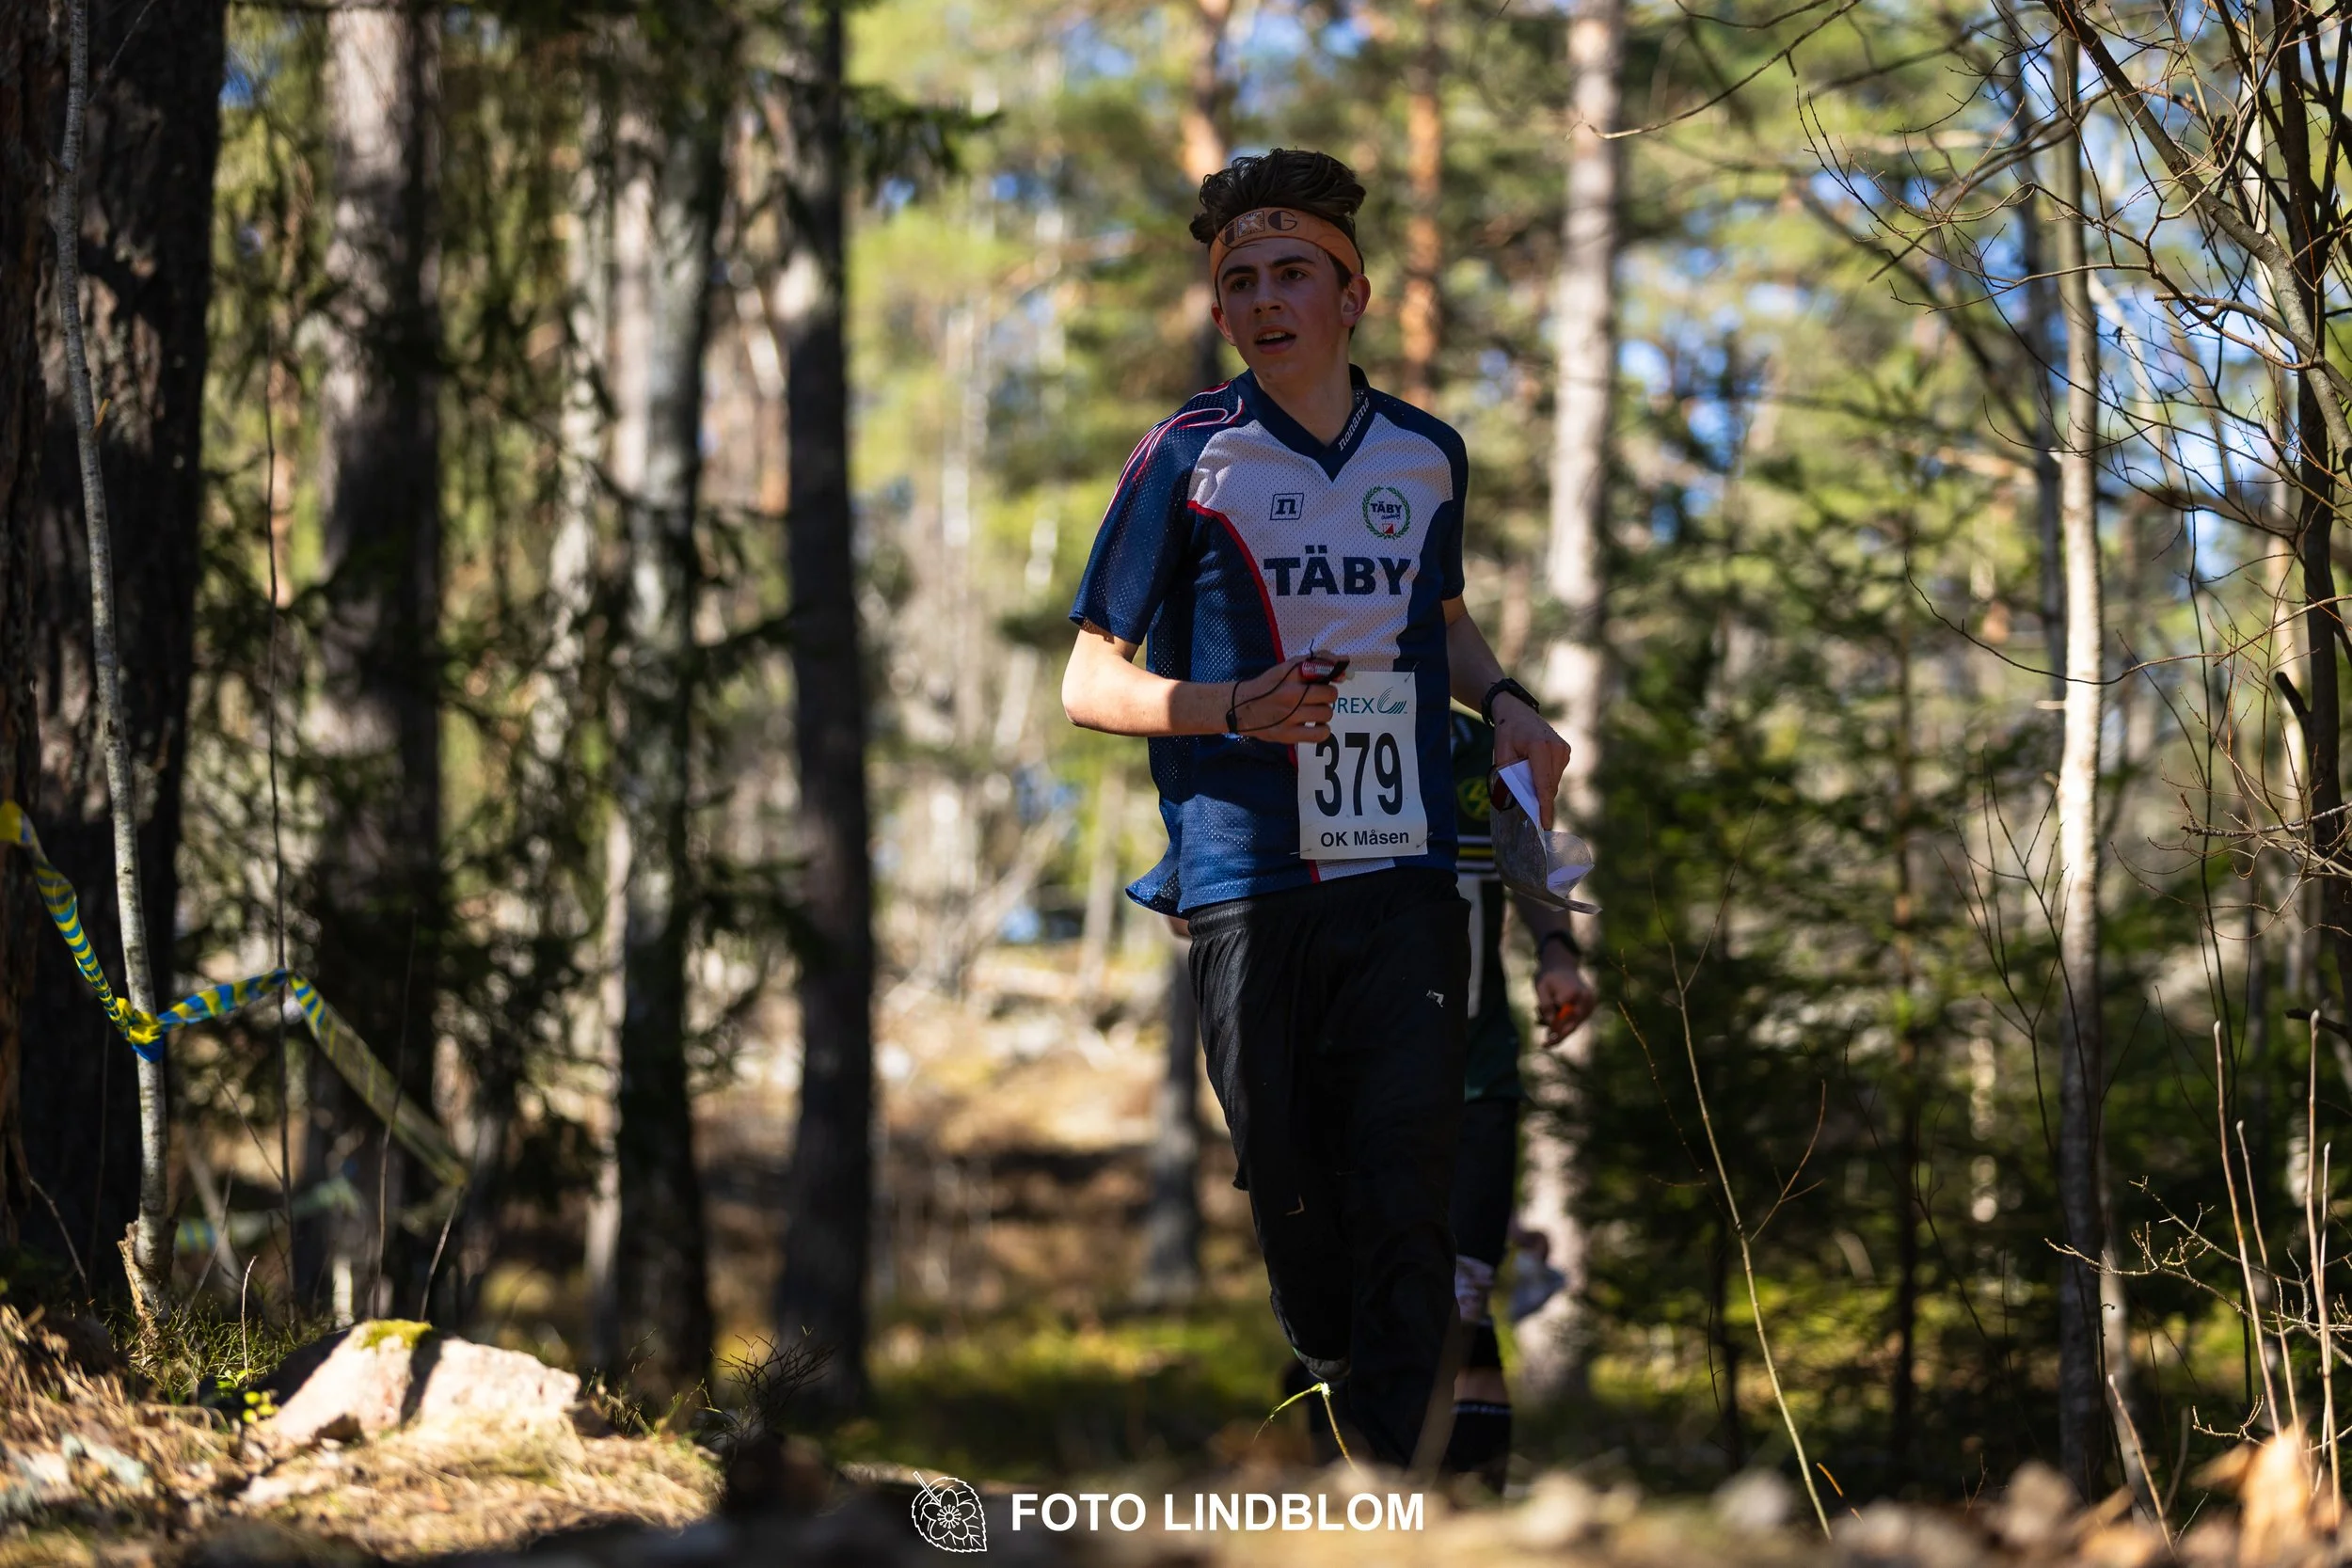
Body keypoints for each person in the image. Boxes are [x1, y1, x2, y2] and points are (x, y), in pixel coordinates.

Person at [1060, 147, 1572, 1467]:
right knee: (1298, 1206)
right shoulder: (1187, 457)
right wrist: (1234, 709)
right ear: (1222, 311)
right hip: (1246, 874)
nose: (1267, 297)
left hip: (1401, 869)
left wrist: (1506, 697)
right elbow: (1088, 682)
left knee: (1408, 1192)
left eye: (1295, 272)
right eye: (1242, 280)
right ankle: (1345, 1379)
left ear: (1352, 295)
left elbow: (1441, 624)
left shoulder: (1426, 453)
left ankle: (1397, 1501)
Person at [1441, 711, 1596, 1483]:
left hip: (1477, 1072)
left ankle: (1461, 1506)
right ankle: (1361, 1487)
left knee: (1461, 1299)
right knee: (1369, 1300)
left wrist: (1557, 949)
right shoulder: (1313, 722)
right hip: (1352, 1076)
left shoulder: (1484, 750)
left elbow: (1527, 864)